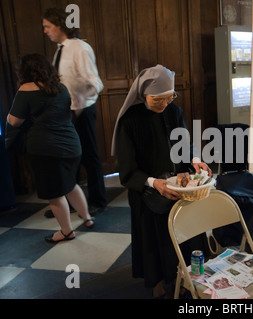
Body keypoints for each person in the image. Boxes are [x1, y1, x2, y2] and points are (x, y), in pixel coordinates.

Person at [111, 65, 213, 298]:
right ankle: (159, 285)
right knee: (155, 245)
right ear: (143, 94)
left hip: (178, 188)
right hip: (147, 192)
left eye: (169, 98)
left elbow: (184, 143)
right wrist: (154, 182)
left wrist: (195, 159)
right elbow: (127, 169)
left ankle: (189, 279)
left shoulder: (174, 112)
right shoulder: (130, 121)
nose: (164, 105)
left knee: (187, 235)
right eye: (159, 100)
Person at [7, 54, 94, 243]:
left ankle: (66, 231)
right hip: (72, 145)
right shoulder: (60, 88)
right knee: (70, 184)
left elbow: (14, 121)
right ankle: (87, 218)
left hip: (46, 149)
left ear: (25, 71)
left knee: (55, 194)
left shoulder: (25, 89)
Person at [42, 8, 107, 216]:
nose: (45, 31)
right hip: (65, 112)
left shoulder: (80, 48)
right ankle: (70, 202)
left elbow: (96, 82)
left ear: (59, 26)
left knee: (89, 156)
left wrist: (80, 99)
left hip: (83, 110)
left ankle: (98, 200)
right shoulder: (60, 49)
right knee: (69, 158)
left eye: (47, 26)